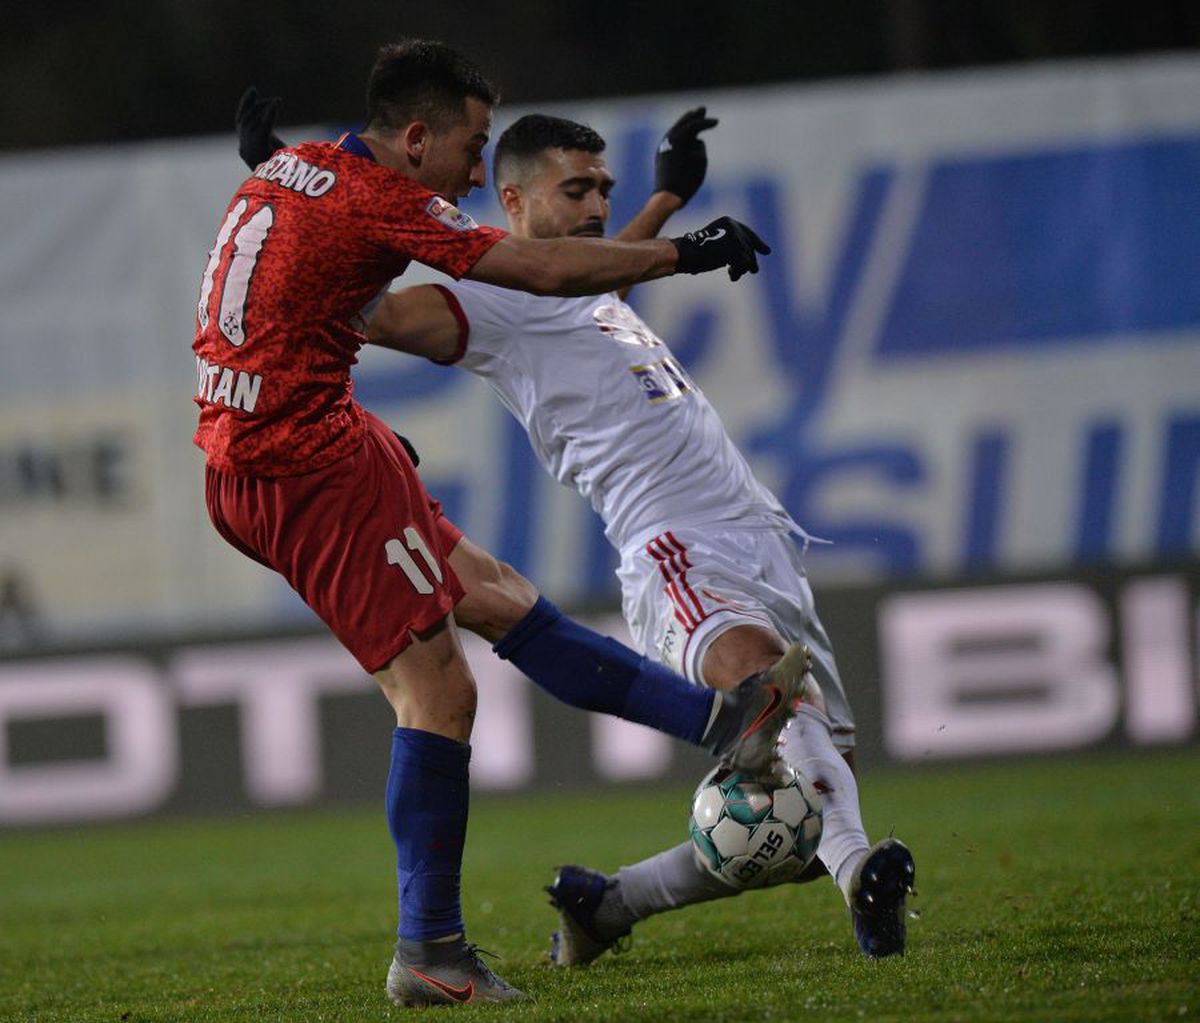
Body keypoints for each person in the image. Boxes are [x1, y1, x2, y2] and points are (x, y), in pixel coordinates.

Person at [236, 94, 917, 963]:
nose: (596, 205)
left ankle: (612, 903)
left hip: (759, 534)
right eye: (574, 191)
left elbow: (590, 281)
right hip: (673, 544)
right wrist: (282, 183)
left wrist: (666, 197)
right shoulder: (484, 299)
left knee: (806, 806)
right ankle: (860, 873)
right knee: (768, 697)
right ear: (513, 203)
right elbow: (355, 310)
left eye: (602, 187)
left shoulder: (579, 288)